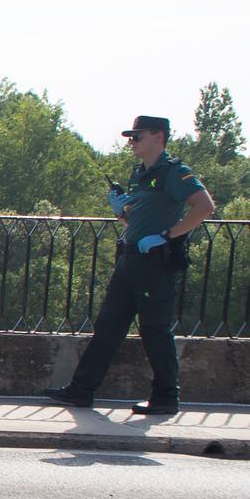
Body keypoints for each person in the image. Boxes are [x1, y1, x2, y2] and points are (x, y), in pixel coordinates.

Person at [45, 116, 215, 415]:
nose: (132, 141)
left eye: (138, 136)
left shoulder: (174, 172)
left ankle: (165, 397)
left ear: (158, 137)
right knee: (108, 326)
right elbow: (136, 220)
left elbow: (204, 207)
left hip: (154, 262)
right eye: (131, 136)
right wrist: (121, 212)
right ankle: (82, 390)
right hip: (131, 258)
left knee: (154, 329)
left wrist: (167, 236)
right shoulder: (140, 174)